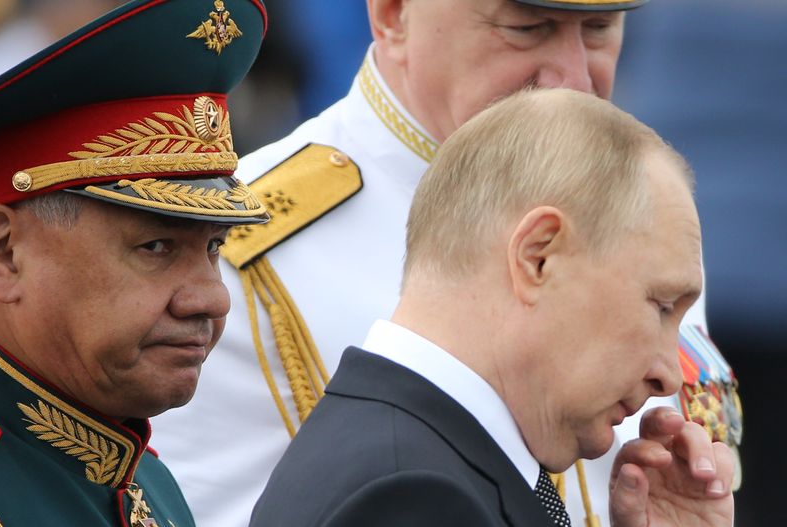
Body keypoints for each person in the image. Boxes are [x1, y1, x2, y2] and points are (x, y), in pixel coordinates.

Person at [148, 0, 743, 525]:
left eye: (598, 29)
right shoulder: (232, 244)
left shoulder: (644, 209)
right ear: (393, 14)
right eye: (527, 28)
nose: (571, 77)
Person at [0, 0, 268, 525]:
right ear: (2, 253)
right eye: (156, 247)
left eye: (213, 247)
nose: (212, 298)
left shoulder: (127, 465)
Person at [249, 87, 734, 527]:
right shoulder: (415, 500)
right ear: (538, 257)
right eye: (661, 306)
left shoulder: (417, 460)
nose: (670, 376)